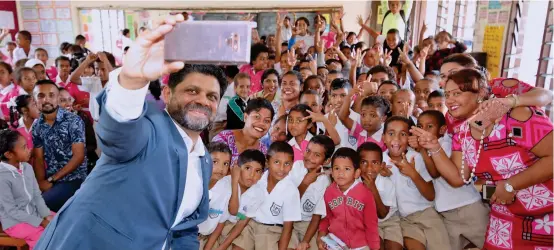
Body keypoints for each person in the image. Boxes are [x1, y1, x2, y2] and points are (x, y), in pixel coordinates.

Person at [35, 14, 228, 250]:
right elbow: (118, 130)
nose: (202, 101)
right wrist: (132, 80)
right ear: (167, 94)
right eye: (192, 91)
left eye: (212, 96)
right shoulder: (149, 128)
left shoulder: (204, 159)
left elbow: (184, 227)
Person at [412, 68, 553, 250]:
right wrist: (434, 147)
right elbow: (457, 178)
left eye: (457, 93)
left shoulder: (516, 116)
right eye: (448, 94)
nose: (450, 100)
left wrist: (511, 185)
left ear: (480, 93)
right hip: (505, 219)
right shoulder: (463, 132)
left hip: (547, 217)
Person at [411, 110, 489, 250]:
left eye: (429, 127)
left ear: (442, 129)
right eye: (420, 126)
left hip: (468, 207)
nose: (423, 131)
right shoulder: (426, 150)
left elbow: (435, 173)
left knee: (488, 243)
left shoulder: (445, 144)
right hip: (447, 212)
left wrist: (422, 150)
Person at [382, 116, 450, 250]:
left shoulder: (417, 157)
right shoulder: (379, 162)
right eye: (391, 133)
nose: (396, 139)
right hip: (404, 219)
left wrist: (412, 173)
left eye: (403, 134)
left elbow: (430, 195)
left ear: (410, 138)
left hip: (427, 215)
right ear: (383, 138)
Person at [31, 80, 87, 212]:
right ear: (34, 100)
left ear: (57, 98)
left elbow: (78, 157)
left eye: (51, 95)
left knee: (39, 207)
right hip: (51, 182)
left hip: (74, 179)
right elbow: (38, 159)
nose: (46, 99)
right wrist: (41, 183)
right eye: (40, 96)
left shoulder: (73, 120)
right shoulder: (37, 126)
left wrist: (51, 180)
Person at [233, 142, 301, 250]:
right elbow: (243, 213)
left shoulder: (291, 190)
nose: (281, 168)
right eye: (277, 162)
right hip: (250, 225)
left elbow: (288, 228)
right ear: (267, 162)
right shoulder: (257, 179)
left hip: (274, 231)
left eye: (287, 163)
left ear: (292, 165)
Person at [0, 129, 54, 250]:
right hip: (14, 222)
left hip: (34, 214)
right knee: (44, 238)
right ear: (9, 154)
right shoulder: (2, 177)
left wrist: (46, 215)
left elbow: (36, 195)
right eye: (24, 147)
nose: (29, 150)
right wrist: (41, 222)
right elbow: (12, 212)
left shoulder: (27, 167)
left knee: (61, 222)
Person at [318, 147, 380, 250]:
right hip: (336, 242)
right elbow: (326, 218)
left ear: (356, 173)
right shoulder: (329, 192)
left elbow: (371, 225)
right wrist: (321, 236)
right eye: (337, 168)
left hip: (360, 245)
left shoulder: (365, 194)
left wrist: (374, 248)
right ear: (332, 172)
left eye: (347, 169)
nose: (341, 173)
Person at [206, 149, 265, 250]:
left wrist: (223, 247)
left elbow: (242, 222)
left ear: (262, 174)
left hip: (240, 227)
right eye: (247, 168)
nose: (252, 175)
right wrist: (234, 181)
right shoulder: (224, 183)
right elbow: (225, 217)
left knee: (246, 233)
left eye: (257, 171)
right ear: (237, 168)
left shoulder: (258, 193)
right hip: (217, 225)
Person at [287, 135, 335, 250]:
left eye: (317, 155)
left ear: (327, 161)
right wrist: (305, 183)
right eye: (308, 151)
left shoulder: (325, 183)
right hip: (288, 220)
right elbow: (288, 203)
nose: (309, 157)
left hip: (307, 225)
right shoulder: (294, 168)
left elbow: (316, 217)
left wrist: (305, 241)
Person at [358, 142, 403, 250]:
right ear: (357, 164)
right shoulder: (354, 183)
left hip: (389, 221)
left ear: (382, 165)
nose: (369, 167)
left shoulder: (387, 183)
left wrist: (373, 189)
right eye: (364, 162)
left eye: (375, 162)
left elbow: (383, 214)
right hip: (368, 224)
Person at [213, 97, 274, 166]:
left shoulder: (264, 152)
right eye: (257, 117)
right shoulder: (224, 139)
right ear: (245, 117)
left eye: (266, 121)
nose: (261, 123)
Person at [197, 143, 234, 249]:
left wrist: (208, 247)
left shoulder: (227, 188)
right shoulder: (193, 182)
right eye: (215, 162)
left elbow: (220, 222)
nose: (221, 168)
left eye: (226, 164)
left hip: (205, 238)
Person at [57, 87, 98, 173]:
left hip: (86, 165)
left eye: (69, 99)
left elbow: (92, 145)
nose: (68, 103)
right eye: (62, 100)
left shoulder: (81, 118)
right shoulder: (50, 124)